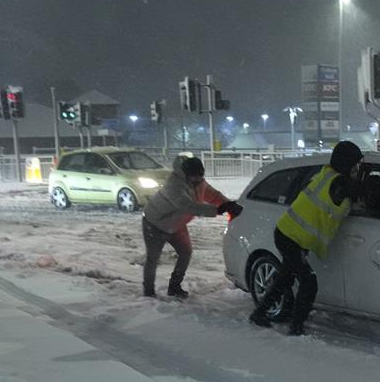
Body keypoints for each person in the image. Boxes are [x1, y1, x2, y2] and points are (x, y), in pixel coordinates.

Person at [249, 140, 364, 335]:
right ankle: (296, 327)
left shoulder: (329, 173)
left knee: (286, 276)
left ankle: (259, 314)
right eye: (355, 163)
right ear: (347, 163)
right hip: (291, 238)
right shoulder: (340, 183)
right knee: (309, 283)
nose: (357, 168)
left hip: (289, 234)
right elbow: (361, 191)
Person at [142, 155, 241, 299]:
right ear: (186, 174)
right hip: (155, 224)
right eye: (195, 177)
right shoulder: (174, 185)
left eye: (200, 177)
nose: (198, 181)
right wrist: (218, 210)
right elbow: (189, 206)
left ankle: (174, 286)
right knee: (153, 258)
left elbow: (213, 195)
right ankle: (148, 291)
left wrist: (228, 205)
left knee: (185, 253)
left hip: (177, 225)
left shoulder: (199, 182)